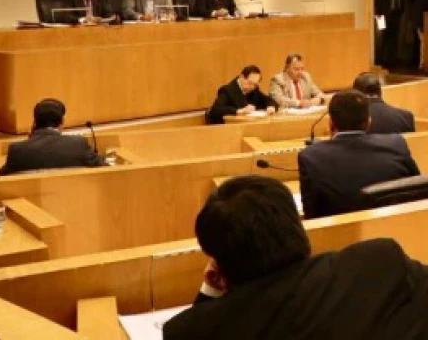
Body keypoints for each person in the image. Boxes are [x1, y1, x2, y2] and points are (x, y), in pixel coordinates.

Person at [164, 175, 428, 340]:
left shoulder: (190, 331)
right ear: (296, 226)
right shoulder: (379, 262)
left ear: (221, 270)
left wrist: (209, 293)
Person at [298, 90, 419, 219]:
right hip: (397, 225)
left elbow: (311, 214)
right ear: (369, 122)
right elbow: (419, 190)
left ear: (331, 124)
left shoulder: (311, 157)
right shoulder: (396, 144)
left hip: (342, 231)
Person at [0, 99, 105, 175]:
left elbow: (0, 178)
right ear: (61, 122)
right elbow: (103, 167)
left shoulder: (17, 150)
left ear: (35, 123)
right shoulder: (78, 144)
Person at [206, 65, 278, 124]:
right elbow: (216, 109)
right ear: (242, 77)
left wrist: (271, 106)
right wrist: (239, 111)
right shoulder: (227, 90)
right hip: (227, 129)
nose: (252, 87)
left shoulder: (254, 89)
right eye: (250, 83)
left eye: (255, 84)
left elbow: (267, 100)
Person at [374, 0, 405, 67]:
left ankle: (392, 59)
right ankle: (380, 59)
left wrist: (401, 11)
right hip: (382, 15)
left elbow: (401, 0)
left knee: (394, 37)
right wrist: (378, 14)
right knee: (382, 37)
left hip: (396, 15)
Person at [408, 0, 428, 67]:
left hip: (423, 20)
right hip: (422, 20)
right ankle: (423, 63)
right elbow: (419, 7)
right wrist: (419, 23)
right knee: (423, 43)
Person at [414, 0, 428, 71]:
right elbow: (420, 8)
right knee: (424, 42)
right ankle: (423, 64)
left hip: (423, 20)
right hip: (424, 21)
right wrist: (420, 24)